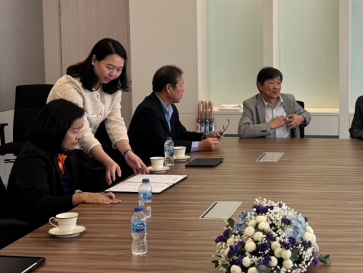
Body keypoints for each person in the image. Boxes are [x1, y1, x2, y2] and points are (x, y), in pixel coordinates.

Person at [6, 99, 121, 231]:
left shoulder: (64, 151)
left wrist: (95, 196)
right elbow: (39, 204)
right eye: (75, 131)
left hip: (61, 222)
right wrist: (81, 197)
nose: (79, 136)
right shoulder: (32, 158)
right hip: (33, 229)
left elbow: (69, 192)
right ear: (57, 130)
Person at [47, 38, 148, 184]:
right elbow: (82, 131)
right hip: (58, 150)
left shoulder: (112, 87)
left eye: (119, 69)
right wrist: (107, 161)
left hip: (80, 150)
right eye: (109, 67)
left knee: (122, 161)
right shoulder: (70, 85)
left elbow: (115, 122)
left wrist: (127, 152)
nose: (113, 74)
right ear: (94, 60)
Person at [128, 65, 223, 164]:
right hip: (146, 167)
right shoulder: (148, 110)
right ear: (169, 88)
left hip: (166, 164)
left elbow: (181, 134)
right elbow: (163, 144)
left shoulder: (171, 107)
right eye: (181, 85)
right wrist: (200, 146)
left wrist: (205, 136)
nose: (183, 90)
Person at [238, 67, 310, 138]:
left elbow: (306, 115)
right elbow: (243, 130)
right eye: (271, 83)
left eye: (279, 83)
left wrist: (301, 118)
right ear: (260, 86)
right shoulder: (250, 104)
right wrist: (271, 125)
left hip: (288, 144)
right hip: (264, 145)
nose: (276, 87)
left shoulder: (289, 99)